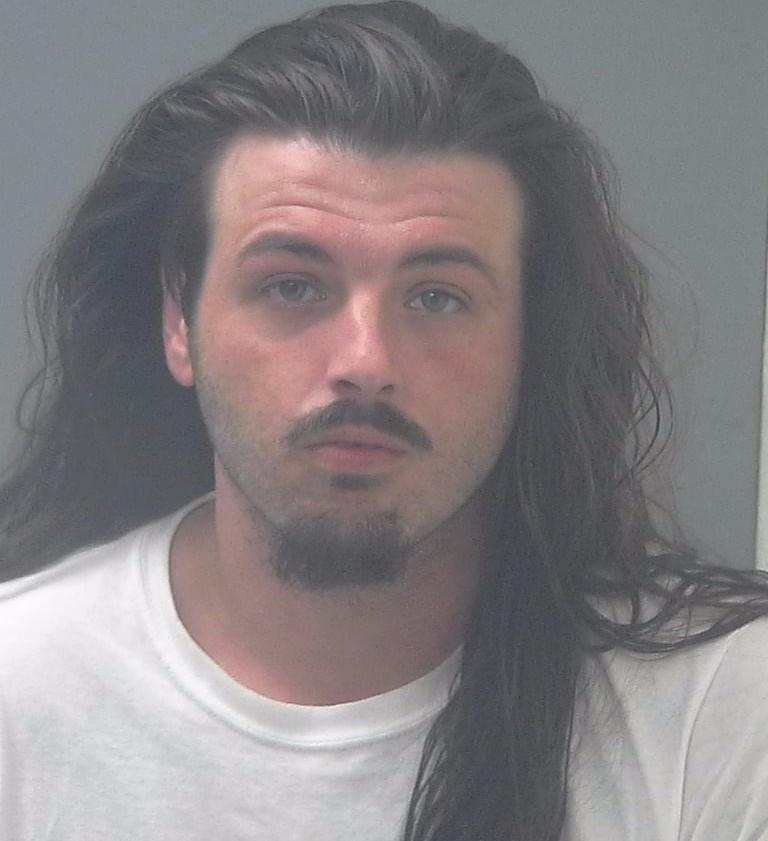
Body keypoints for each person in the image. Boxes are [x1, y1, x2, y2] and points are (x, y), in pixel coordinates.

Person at [1, 2, 767, 839]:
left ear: (529, 341)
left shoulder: (723, 711)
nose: (365, 360)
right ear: (179, 322)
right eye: (292, 286)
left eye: (437, 297)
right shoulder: (21, 687)